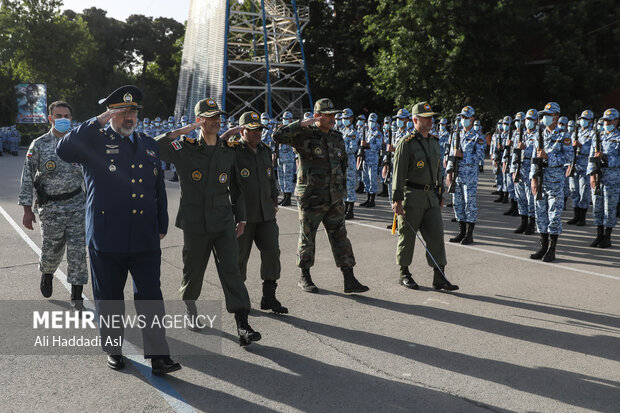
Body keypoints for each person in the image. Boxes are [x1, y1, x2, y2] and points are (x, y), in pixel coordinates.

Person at [56, 85, 181, 375]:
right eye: (122, 111)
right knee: (109, 298)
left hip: (144, 235)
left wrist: (161, 223)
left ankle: (159, 356)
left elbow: (157, 188)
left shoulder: (148, 144)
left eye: (133, 111)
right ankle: (113, 349)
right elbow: (64, 150)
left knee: (151, 297)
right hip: (106, 236)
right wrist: (96, 121)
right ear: (110, 113)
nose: (129, 116)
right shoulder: (93, 141)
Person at [154, 98, 261, 346]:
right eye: (211, 117)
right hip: (195, 223)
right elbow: (156, 147)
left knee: (231, 270)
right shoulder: (185, 148)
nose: (217, 121)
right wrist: (182, 130)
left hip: (223, 221)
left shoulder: (227, 151)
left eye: (218, 117)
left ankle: (243, 325)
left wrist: (241, 216)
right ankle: (191, 312)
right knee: (193, 272)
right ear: (200, 120)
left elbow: (236, 187)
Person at [272, 98, 369, 294]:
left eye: (334, 115)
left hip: (333, 197)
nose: (333, 118)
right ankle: (304, 277)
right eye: (328, 115)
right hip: (311, 196)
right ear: (317, 116)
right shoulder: (303, 135)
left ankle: (349, 278)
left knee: (340, 236)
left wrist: (340, 190)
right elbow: (277, 136)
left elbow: (343, 163)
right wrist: (301, 123)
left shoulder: (336, 137)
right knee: (308, 237)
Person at [18, 101, 88, 309]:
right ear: (50, 118)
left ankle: (77, 296)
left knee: (77, 252)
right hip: (51, 208)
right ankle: (47, 273)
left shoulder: (79, 143)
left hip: (77, 205)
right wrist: (26, 209)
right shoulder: (39, 144)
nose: (63, 119)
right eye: (59, 116)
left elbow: (92, 174)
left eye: (67, 116)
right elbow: (27, 177)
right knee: (52, 250)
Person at [220, 111, 288, 314]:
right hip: (242, 215)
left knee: (272, 253)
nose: (258, 133)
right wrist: (229, 132)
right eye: (253, 130)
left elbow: (270, 177)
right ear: (242, 131)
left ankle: (269, 297)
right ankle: (239, 300)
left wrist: (275, 198)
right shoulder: (232, 150)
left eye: (259, 129)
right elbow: (212, 147)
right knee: (239, 258)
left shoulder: (265, 150)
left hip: (266, 213)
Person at [391, 102, 458, 291]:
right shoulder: (406, 143)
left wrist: (440, 193)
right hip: (411, 196)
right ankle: (404, 273)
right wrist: (397, 200)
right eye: (426, 117)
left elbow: (438, 171)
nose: (430, 120)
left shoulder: (434, 142)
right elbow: (398, 174)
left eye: (431, 117)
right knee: (407, 237)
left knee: (437, 236)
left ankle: (439, 277)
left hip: (431, 197)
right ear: (415, 120)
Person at [529, 102, 572, 262]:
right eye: (544, 114)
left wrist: (549, 157)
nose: (545, 117)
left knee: (553, 215)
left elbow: (569, 158)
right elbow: (534, 158)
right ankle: (543, 246)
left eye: (549, 114)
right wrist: (533, 178)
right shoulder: (538, 134)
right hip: (540, 181)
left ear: (556, 116)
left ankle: (552, 249)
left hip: (555, 182)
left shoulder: (564, 136)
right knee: (540, 214)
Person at [446, 106, 485, 245]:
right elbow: (451, 154)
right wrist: (449, 173)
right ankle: (461, 232)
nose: (463, 120)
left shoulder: (477, 136)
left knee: (470, 204)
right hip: (457, 175)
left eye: (466, 118)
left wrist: (463, 156)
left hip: (469, 176)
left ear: (472, 119)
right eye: (462, 117)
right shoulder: (457, 134)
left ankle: (469, 234)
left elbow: (480, 157)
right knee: (458, 204)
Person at [587, 108, 620, 248]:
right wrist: (592, 175)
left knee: (609, 208)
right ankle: (599, 235)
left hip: (612, 178)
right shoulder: (597, 136)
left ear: (616, 121)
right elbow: (591, 157)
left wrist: (605, 158)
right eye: (605, 120)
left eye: (609, 120)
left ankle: (607, 236)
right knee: (597, 207)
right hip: (598, 177)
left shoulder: (618, 138)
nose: (606, 123)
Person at [511, 109, 537, 235]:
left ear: (536, 121)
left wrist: (525, 149)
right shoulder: (518, 134)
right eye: (527, 119)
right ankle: (523, 222)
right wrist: (512, 170)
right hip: (519, 168)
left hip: (530, 169)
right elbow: (513, 154)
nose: (529, 122)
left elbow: (537, 154)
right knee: (520, 197)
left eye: (532, 119)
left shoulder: (538, 135)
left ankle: (532, 223)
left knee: (530, 198)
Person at [567, 110, 595, 226]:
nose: (583, 121)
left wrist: (581, 146)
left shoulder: (593, 134)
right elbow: (568, 150)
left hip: (584, 166)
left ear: (591, 121)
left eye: (586, 119)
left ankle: (582, 217)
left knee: (584, 192)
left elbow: (593, 151)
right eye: (582, 119)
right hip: (574, 165)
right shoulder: (574, 133)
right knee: (574, 191)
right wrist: (568, 165)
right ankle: (576, 216)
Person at [359, 113, 383, 207]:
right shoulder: (366, 132)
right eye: (369, 121)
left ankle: (372, 200)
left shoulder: (378, 133)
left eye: (372, 121)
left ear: (376, 122)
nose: (370, 123)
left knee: (372, 179)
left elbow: (378, 147)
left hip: (373, 159)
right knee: (366, 179)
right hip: (365, 158)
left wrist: (368, 145)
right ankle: (367, 198)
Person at [341, 108, 360, 220]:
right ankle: (345, 208)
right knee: (344, 186)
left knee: (350, 185)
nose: (344, 120)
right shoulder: (343, 131)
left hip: (350, 162)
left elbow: (353, 148)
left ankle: (351, 210)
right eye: (343, 118)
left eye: (347, 118)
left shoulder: (354, 133)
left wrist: (341, 149)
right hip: (342, 162)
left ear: (351, 119)